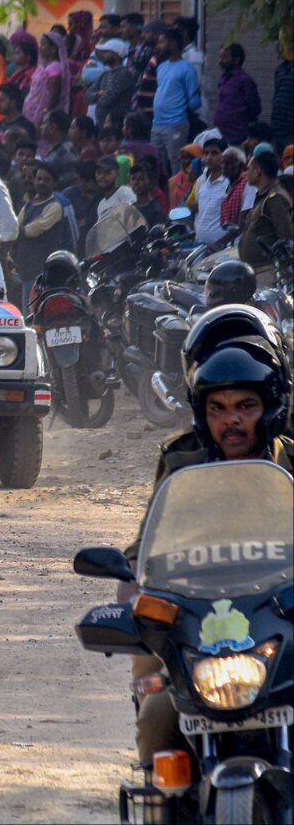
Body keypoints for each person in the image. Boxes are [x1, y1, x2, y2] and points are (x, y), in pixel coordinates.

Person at [126, 305, 293, 768]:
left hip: (282, 621)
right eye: (217, 408)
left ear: (273, 404)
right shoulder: (183, 465)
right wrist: (133, 596)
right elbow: (146, 554)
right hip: (197, 625)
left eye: (246, 406)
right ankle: (161, 802)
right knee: (158, 712)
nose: (231, 421)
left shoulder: (292, 464)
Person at [14, 161, 77, 307]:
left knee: (38, 316)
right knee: (28, 316)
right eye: (39, 178)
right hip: (26, 271)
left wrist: (20, 231)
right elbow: (15, 228)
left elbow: (32, 231)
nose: (41, 182)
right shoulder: (29, 204)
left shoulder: (55, 206)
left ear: (55, 183)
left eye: (46, 179)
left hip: (43, 274)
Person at [151, 27, 202, 177]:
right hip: (157, 124)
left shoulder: (187, 68)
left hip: (176, 124)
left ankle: (177, 196)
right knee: (155, 163)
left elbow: (195, 101)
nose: (159, 46)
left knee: (176, 163)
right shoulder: (161, 67)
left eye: (162, 42)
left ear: (173, 43)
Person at [240, 149, 293, 279]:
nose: (246, 173)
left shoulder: (275, 198)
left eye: (249, 169)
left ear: (258, 171)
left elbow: (286, 239)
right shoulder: (264, 196)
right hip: (255, 272)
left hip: (267, 273)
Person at [213, 43, 262, 147]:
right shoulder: (224, 78)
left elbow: (254, 107)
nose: (221, 61)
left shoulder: (244, 80)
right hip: (221, 133)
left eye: (225, 58)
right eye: (220, 57)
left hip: (237, 135)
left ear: (236, 59)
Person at [24, 32, 69, 138]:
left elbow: (53, 94)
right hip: (33, 112)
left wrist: (44, 113)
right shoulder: (44, 67)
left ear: (53, 49)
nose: (40, 48)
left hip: (42, 114)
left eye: (43, 44)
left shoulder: (54, 68)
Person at [86, 38, 135, 134]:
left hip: (116, 124)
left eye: (106, 52)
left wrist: (97, 98)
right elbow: (87, 96)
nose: (103, 55)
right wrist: (98, 94)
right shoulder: (105, 74)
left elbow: (108, 99)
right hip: (102, 124)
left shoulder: (124, 73)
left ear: (116, 54)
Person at [189, 137, 230, 244]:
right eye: (206, 153)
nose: (209, 157)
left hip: (222, 248)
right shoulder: (201, 183)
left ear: (224, 156)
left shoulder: (229, 183)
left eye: (214, 153)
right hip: (201, 246)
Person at [39, 109, 78, 184]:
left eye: (44, 123)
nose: (41, 127)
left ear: (53, 128)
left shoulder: (66, 152)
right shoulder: (57, 148)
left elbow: (72, 182)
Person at [94, 154, 137, 219]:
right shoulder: (101, 205)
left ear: (117, 174)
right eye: (99, 173)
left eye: (107, 173)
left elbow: (134, 219)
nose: (101, 176)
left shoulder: (125, 192)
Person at [218, 146, 251, 229]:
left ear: (241, 166)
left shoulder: (248, 184)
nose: (224, 166)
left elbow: (242, 223)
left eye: (229, 163)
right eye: (223, 162)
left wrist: (218, 242)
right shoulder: (226, 184)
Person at [168, 142, 201, 209]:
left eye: (189, 158)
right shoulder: (173, 182)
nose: (184, 162)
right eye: (182, 158)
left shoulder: (204, 182)